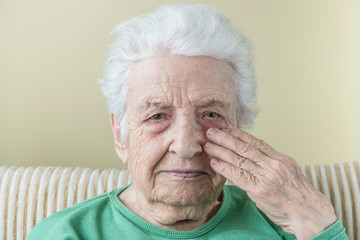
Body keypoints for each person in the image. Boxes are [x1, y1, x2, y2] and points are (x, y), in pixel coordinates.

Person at [27, 4, 348, 240]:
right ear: (120, 134)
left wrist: (316, 223)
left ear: (239, 127)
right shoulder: (65, 234)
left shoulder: (290, 223)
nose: (186, 146)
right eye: (157, 116)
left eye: (211, 115)